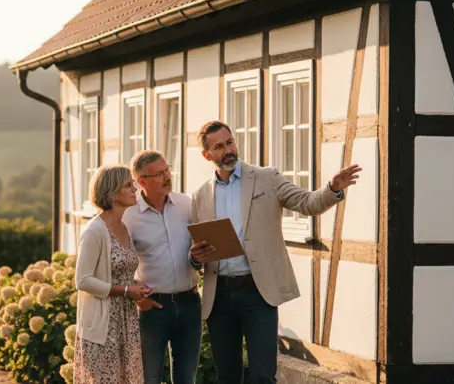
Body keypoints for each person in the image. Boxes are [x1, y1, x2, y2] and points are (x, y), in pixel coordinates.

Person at [189, 121, 362, 384]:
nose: (228, 150)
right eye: (219, 146)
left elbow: (307, 203)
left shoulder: (266, 177)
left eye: (230, 142)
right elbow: (196, 250)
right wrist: (195, 256)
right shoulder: (201, 195)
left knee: (262, 374)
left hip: (258, 291)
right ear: (206, 154)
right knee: (227, 376)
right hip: (219, 296)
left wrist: (332, 188)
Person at [122, 150, 202, 384]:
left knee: (187, 378)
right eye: (159, 174)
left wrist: (199, 256)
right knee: (150, 378)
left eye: (167, 170)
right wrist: (137, 295)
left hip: (189, 305)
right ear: (141, 181)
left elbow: (200, 252)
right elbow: (117, 261)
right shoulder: (129, 216)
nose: (167, 177)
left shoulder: (187, 205)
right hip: (152, 308)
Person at [74, 164, 150, 384]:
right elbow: (83, 280)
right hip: (103, 325)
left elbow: (119, 272)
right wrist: (126, 290)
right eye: (128, 185)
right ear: (113, 193)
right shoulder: (94, 230)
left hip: (127, 322)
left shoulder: (124, 226)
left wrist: (137, 288)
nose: (135, 189)